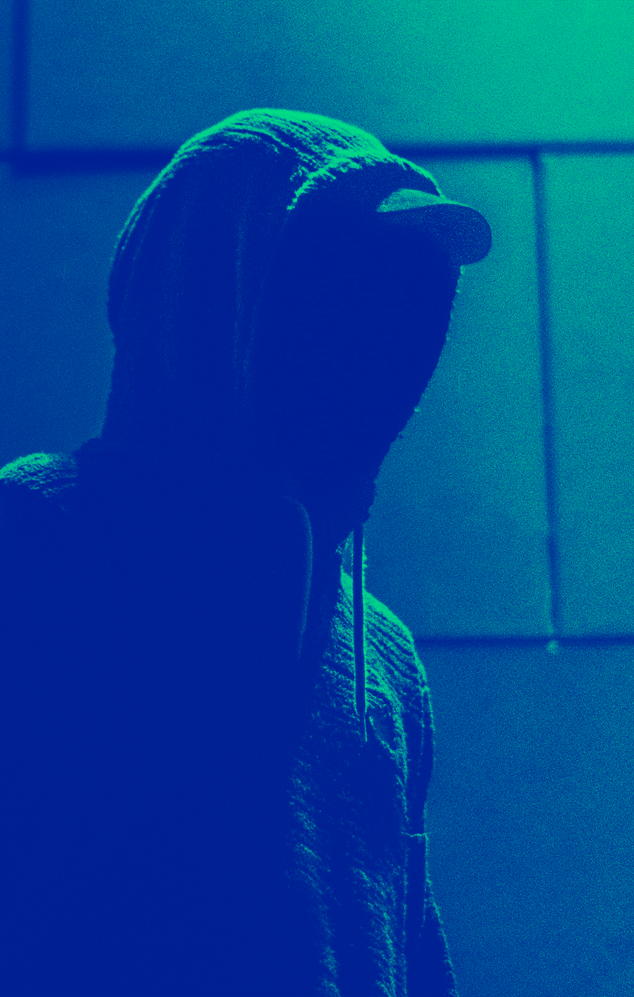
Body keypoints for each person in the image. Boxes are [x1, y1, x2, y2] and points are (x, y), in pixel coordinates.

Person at [0, 109, 491, 997]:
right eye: (336, 294)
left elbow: (417, 957)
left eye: (396, 303)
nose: (369, 339)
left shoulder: (383, 661)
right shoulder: (37, 538)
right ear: (207, 292)